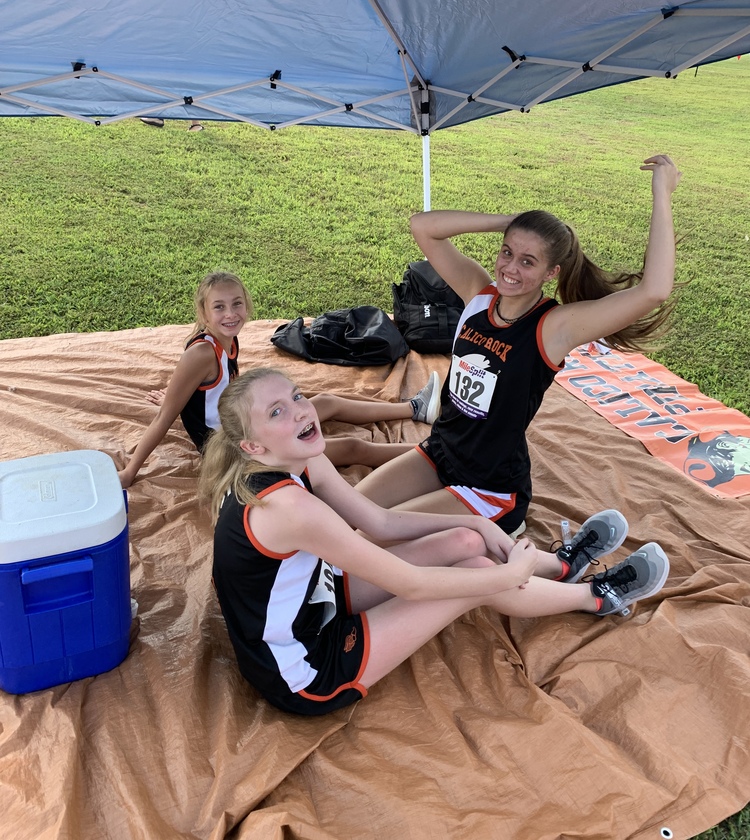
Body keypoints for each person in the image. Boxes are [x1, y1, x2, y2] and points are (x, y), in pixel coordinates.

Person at [204, 367, 670, 716]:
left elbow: (381, 523)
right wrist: (506, 575)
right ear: (253, 447)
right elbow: (412, 585)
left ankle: (560, 566)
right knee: (478, 577)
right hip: (305, 670)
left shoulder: (296, 458)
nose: (304, 410)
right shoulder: (288, 508)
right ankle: (596, 597)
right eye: (277, 412)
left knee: (466, 541)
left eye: (297, 395)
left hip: (315, 598)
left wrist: (484, 526)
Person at [355, 153, 682, 537]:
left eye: (528, 262)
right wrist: (508, 224)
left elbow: (654, 290)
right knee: (351, 512)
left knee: (371, 537)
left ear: (551, 272)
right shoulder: (479, 293)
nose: (510, 268)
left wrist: (662, 192)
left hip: (488, 486)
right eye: (507, 252)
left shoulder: (553, 326)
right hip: (441, 451)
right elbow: (423, 227)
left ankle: (519, 540)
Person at [117, 271, 441, 488]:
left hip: (240, 424)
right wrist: (131, 471)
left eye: (237, 303)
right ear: (203, 314)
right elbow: (164, 417)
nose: (230, 313)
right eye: (219, 307)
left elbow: (212, 393)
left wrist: (181, 397)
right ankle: (433, 452)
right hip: (232, 447)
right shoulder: (201, 353)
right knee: (352, 447)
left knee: (326, 401)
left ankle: (415, 408)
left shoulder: (225, 339)